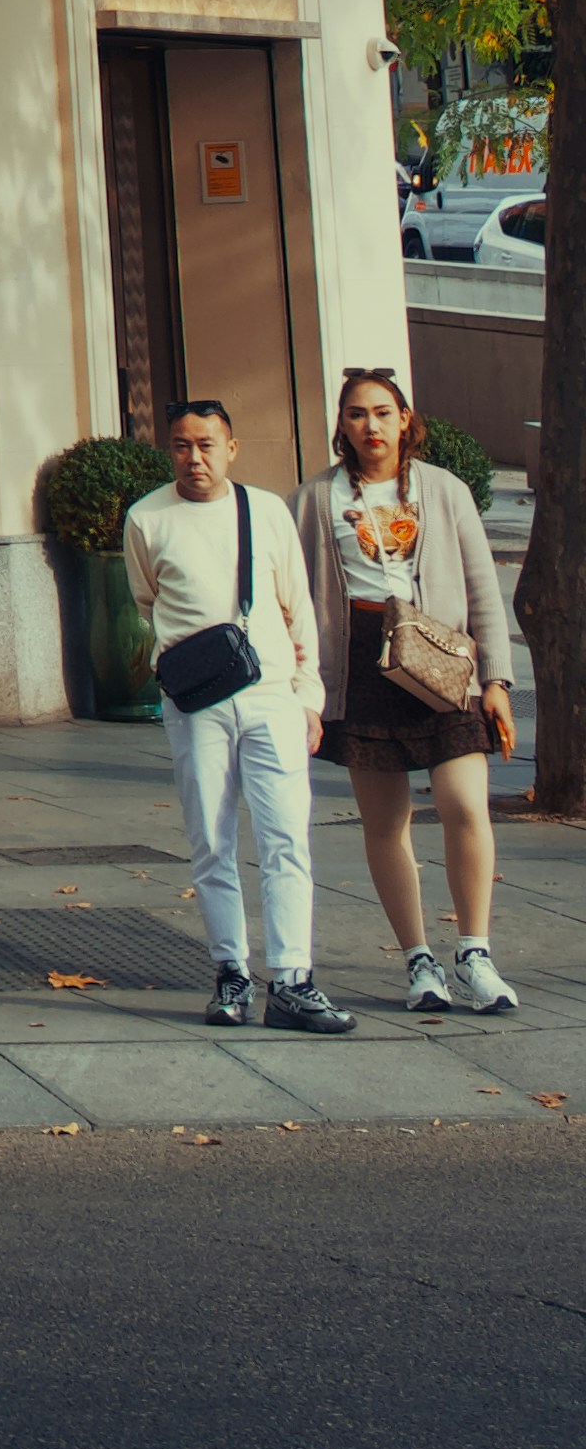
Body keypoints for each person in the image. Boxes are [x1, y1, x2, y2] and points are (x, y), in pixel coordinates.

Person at [122, 396, 352, 1034]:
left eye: (206, 445)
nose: (194, 458)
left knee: (286, 838)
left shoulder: (266, 510)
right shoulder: (147, 518)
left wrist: (310, 698)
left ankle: (294, 980)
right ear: (169, 450)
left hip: (271, 693)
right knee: (210, 841)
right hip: (196, 703)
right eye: (181, 446)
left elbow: (298, 605)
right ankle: (231, 974)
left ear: (231, 447)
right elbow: (148, 599)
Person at [304, 365, 520, 1017]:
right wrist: (304, 690)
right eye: (356, 414)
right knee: (386, 821)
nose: (370, 425)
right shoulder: (315, 499)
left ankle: (475, 953)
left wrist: (499, 682)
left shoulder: (444, 491)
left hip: (441, 662)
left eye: (382, 412)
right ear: (342, 426)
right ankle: (419, 960)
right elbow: (296, 594)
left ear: (405, 420)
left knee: (464, 807)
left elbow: (483, 590)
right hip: (362, 667)